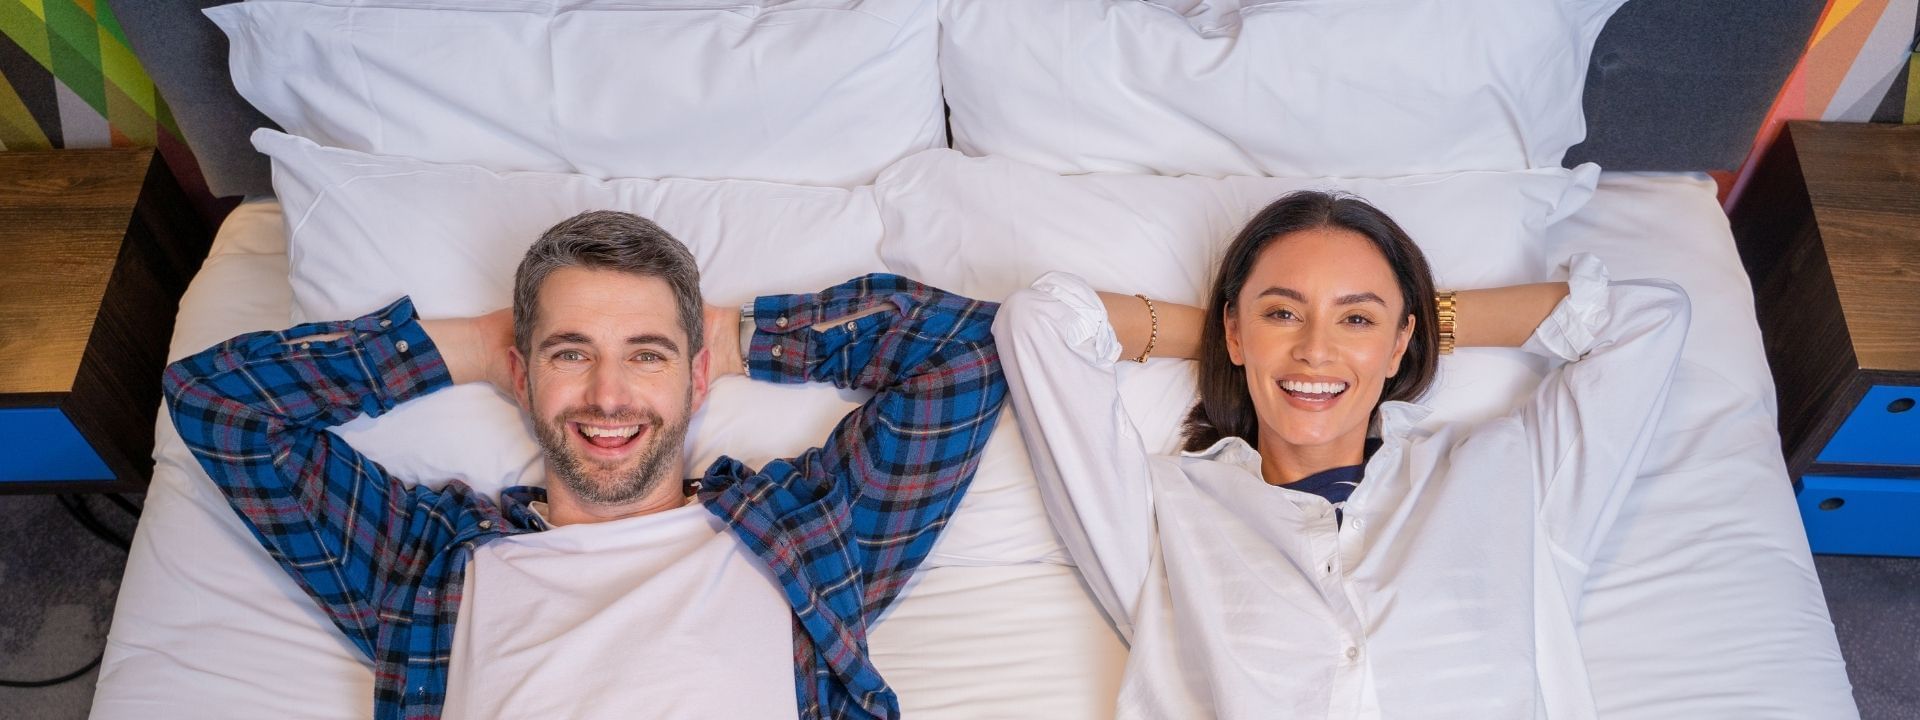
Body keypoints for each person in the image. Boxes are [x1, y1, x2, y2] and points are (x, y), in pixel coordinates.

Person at [163, 210, 1006, 720]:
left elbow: (969, 353)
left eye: (647, 356)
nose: (609, 396)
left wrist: (749, 338)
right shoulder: (426, 560)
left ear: (696, 377)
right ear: (523, 374)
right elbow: (221, 404)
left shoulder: (810, 532)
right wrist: (469, 348)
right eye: (572, 355)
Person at [992, 191, 1690, 718]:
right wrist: (1236, 336)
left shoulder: (1510, 476)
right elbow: (1041, 324)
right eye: (1282, 313)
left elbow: (1646, 320)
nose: (1316, 349)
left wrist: (1408, 327)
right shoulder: (1161, 514)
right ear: (1235, 333)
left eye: (1356, 318)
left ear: (1400, 342)